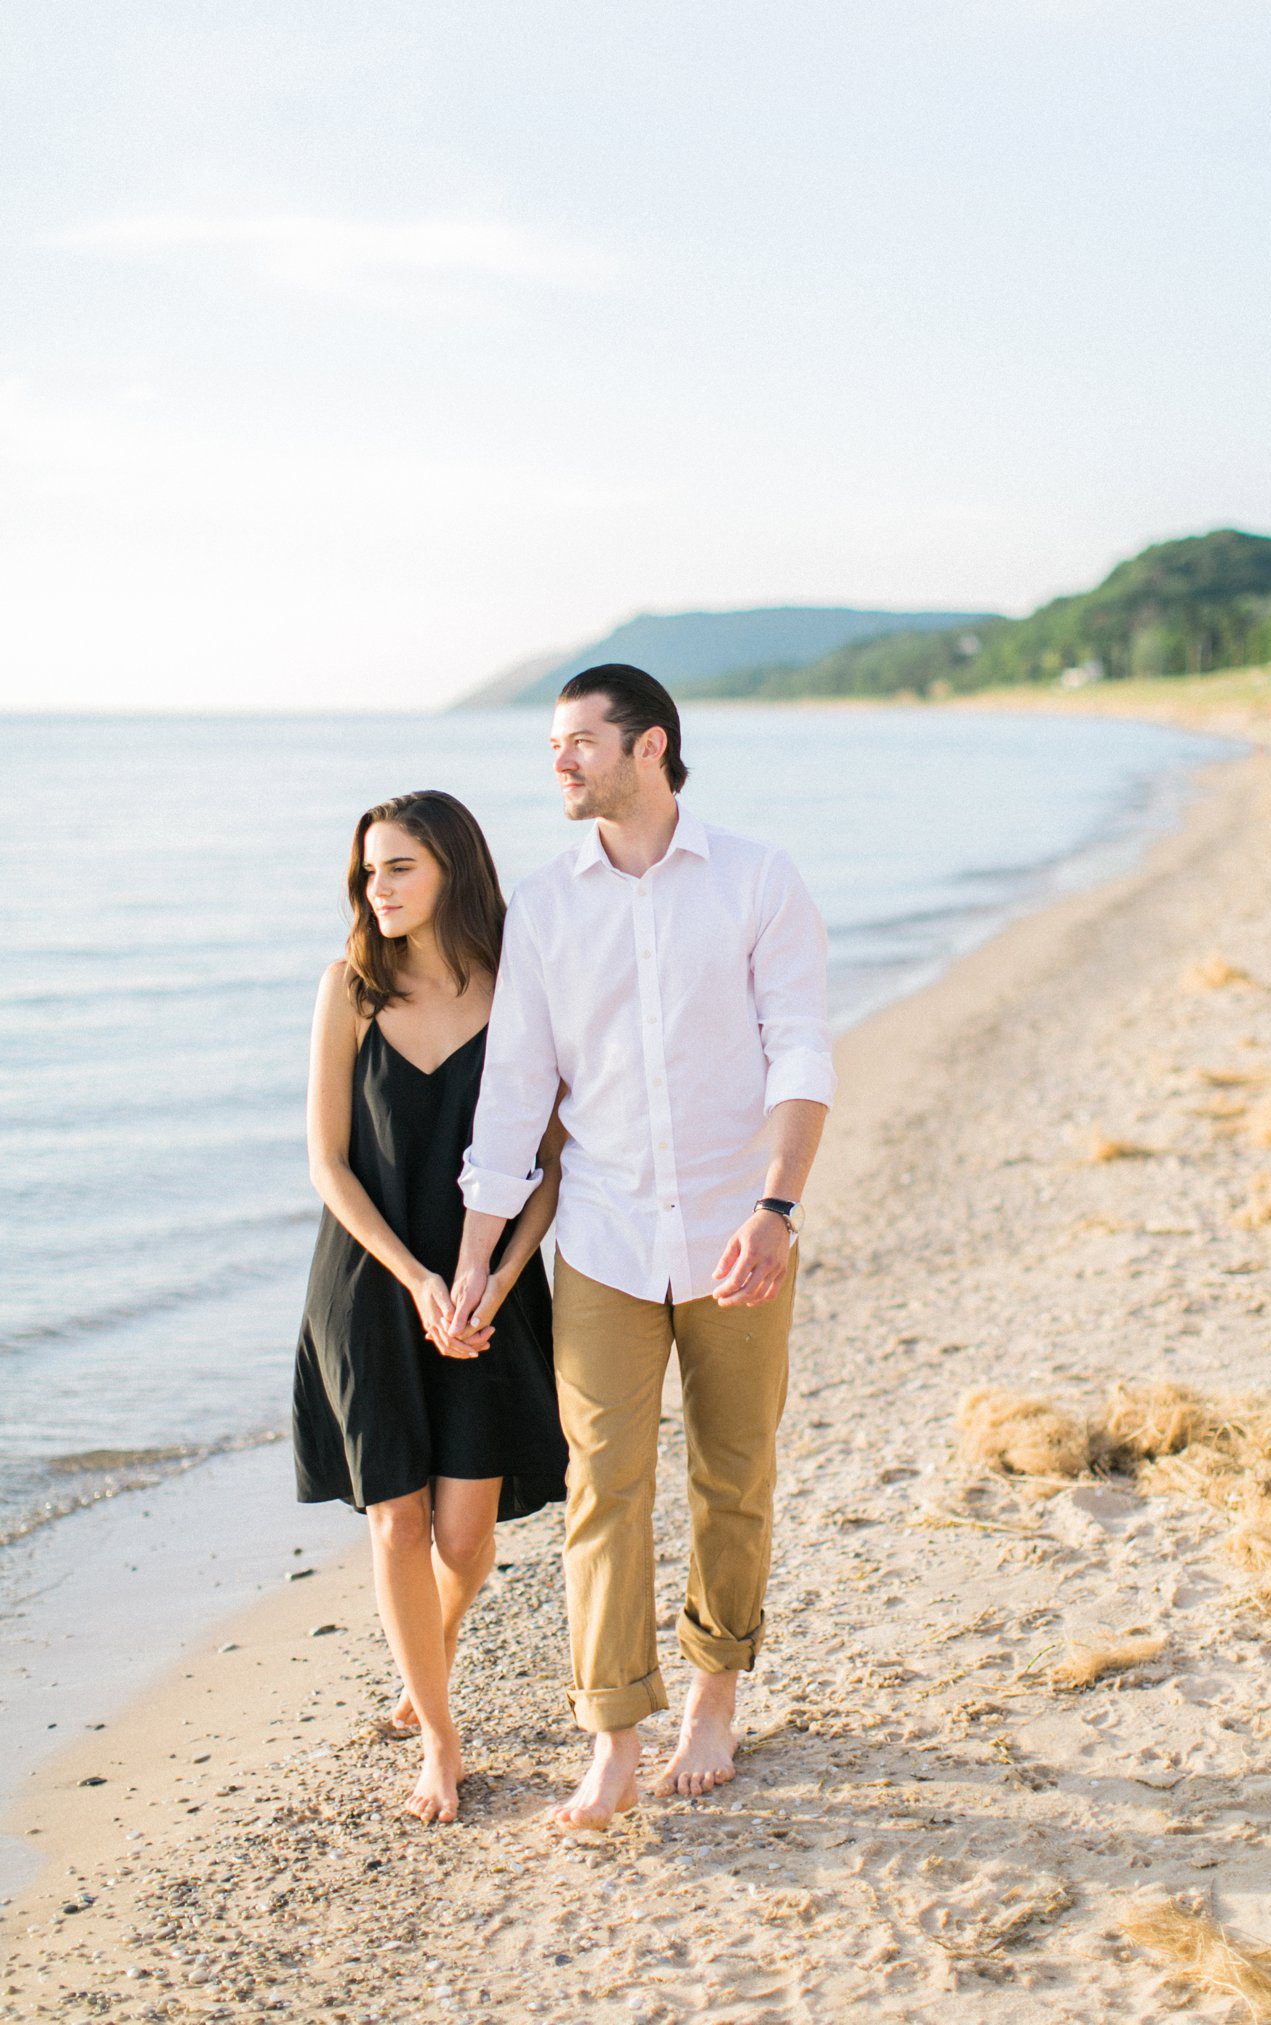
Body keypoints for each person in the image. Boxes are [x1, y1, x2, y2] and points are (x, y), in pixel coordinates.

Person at [444, 666, 834, 1829]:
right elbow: (515, 1094)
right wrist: (475, 1255)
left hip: (737, 1232)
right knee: (601, 1485)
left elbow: (802, 1054)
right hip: (605, 1242)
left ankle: (715, 1695)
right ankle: (612, 1732)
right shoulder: (547, 906)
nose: (559, 763)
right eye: (552, 746)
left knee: (733, 1471)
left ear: (649, 747)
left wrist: (777, 1211)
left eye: (579, 743)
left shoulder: (759, 880)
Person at [293, 790, 568, 1826]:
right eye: (370, 872)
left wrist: (494, 1280)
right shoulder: (350, 990)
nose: (380, 888)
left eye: (400, 866)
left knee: (464, 1539)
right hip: (371, 1283)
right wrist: (416, 1279)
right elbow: (327, 1161)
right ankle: (442, 1743)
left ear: (452, 866)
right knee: (396, 1519)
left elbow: (549, 1169)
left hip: (489, 1287)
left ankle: (430, 1655)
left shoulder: (517, 991)